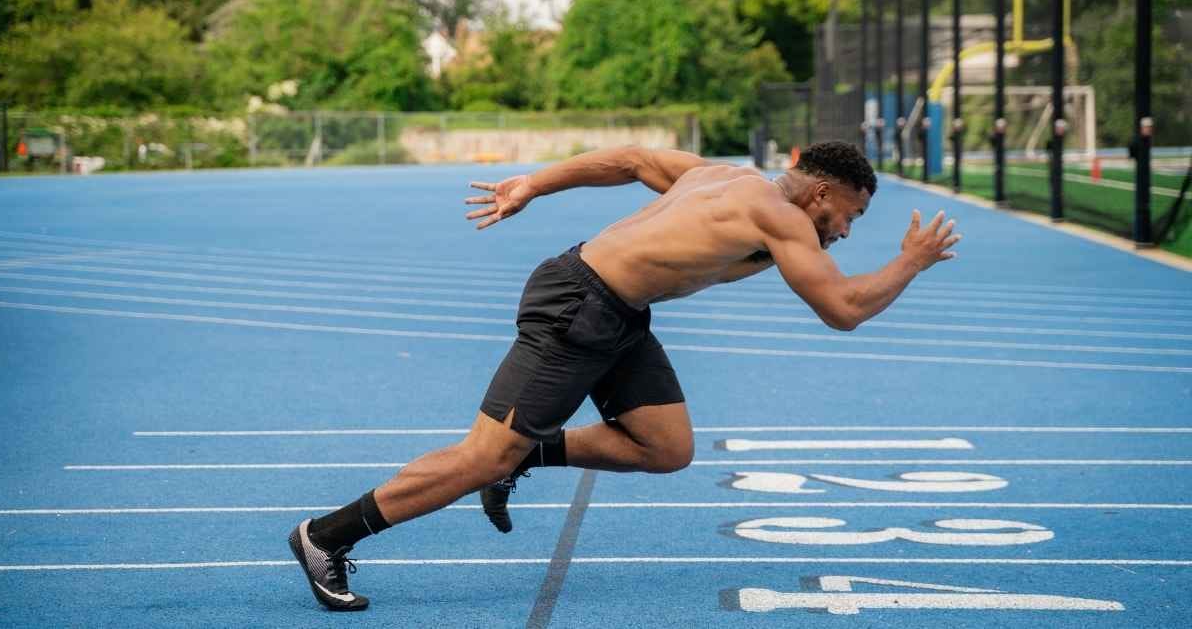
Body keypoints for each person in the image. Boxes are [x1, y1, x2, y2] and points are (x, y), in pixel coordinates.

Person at [288, 141, 960, 611]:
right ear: (821, 192)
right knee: (479, 457)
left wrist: (534, 183)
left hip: (616, 312)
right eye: (852, 214)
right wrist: (911, 262)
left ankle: (528, 455)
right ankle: (327, 535)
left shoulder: (721, 175)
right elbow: (842, 309)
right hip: (579, 306)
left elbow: (635, 158)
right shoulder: (781, 217)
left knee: (666, 447)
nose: (846, 229)